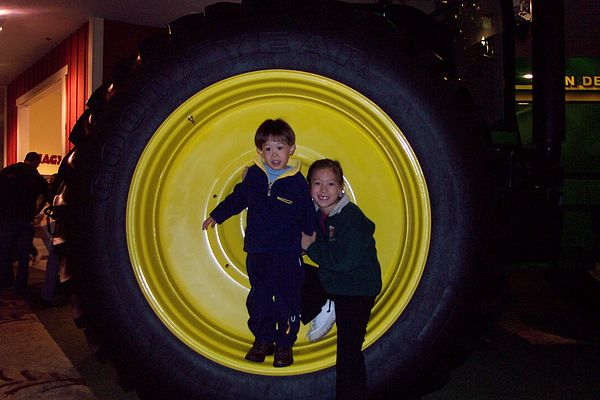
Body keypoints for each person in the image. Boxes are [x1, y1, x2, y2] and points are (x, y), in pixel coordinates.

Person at [202, 118, 315, 367]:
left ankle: (285, 345)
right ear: (260, 151)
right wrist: (217, 214)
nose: (274, 154)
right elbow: (238, 197)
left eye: (280, 148)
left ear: (291, 149)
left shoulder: (298, 182)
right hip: (258, 252)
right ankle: (263, 340)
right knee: (259, 298)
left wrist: (310, 234)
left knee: (288, 298)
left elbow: (308, 212)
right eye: (268, 149)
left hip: (287, 254)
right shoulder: (254, 175)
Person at [301, 159, 382, 400]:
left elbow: (345, 261)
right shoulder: (317, 214)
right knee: (288, 273)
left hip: (357, 290)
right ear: (310, 188)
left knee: (348, 352)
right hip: (334, 282)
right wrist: (254, 180)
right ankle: (325, 306)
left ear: (341, 188)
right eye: (317, 183)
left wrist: (310, 247)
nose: (323, 190)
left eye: (330, 184)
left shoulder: (351, 218)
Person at [0, 152, 50, 295]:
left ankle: (6, 280)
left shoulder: (8, 171)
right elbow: (48, 195)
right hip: (25, 218)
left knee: (5, 251)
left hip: (6, 218)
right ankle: (21, 284)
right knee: (23, 253)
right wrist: (37, 210)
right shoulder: (35, 175)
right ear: (36, 162)